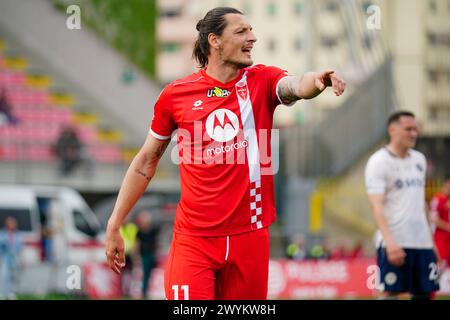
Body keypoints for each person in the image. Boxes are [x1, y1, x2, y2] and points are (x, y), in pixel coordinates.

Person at [105, 7, 345, 300]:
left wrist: (316, 81)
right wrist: (115, 222)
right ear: (214, 40)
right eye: (242, 31)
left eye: (252, 30)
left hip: (250, 238)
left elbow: (294, 85)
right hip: (194, 240)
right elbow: (145, 162)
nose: (253, 38)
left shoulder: (262, 80)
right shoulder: (175, 95)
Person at [365, 111, 440, 300]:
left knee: (425, 293)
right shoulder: (379, 161)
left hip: (422, 243)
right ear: (392, 130)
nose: (414, 134)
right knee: (390, 292)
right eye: (408, 129)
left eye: (415, 129)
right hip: (395, 243)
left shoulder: (419, 160)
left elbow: (420, 202)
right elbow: (376, 206)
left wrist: (431, 242)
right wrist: (390, 243)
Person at [135, 211, 161, 299]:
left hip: (152, 254)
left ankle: (149, 290)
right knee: (145, 274)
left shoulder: (153, 230)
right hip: (144, 255)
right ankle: (144, 292)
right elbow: (137, 245)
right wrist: (136, 256)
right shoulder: (140, 232)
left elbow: (156, 242)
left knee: (152, 274)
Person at [429, 175, 450, 270]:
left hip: (447, 241)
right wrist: (447, 226)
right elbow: (433, 219)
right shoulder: (437, 199)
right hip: (440, 241)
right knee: (439, 271)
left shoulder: (447, 200)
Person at [0, 216, 23, 299]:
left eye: (13, 223)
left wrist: (22, 259)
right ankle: (2, 293)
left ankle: (11, 292)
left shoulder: (17, 234)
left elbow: (20, 248)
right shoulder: (2, 233)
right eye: (11, 223)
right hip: (4, 257)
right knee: (3, 275)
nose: (13, 225)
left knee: (13, 276)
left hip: (14, 257)